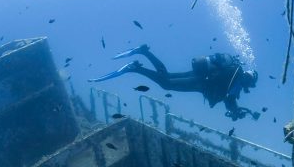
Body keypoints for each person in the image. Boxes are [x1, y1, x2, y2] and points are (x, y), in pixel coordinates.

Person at [89, 44, 259, 120]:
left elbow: (228, 95)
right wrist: (236, 112)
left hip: (200, 75)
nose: (249, 88)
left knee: (167, 78)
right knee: (167, 84)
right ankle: (135, 68)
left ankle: (144, 52)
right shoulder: (238, 78)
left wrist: (236, 109)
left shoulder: (233, 69)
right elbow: (230, 99)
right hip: (201, 83)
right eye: (250, 85)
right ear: (249, 80)